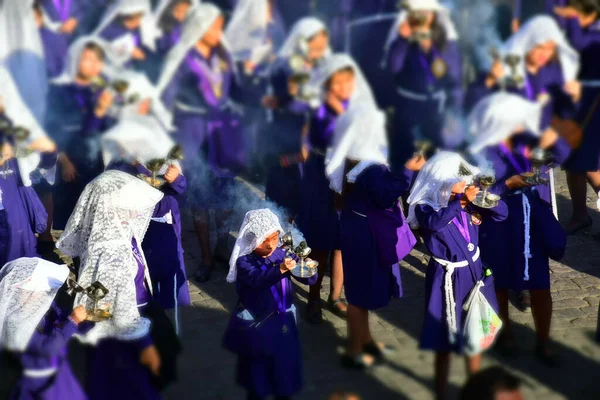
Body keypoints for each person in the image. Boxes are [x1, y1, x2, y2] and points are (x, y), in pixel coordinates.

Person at [56, 170, 180, 400]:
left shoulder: (118, 233)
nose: (136, 210)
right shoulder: (110, 247)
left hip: (121, 325)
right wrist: (144, 345)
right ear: (112, 207)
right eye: (129, 204)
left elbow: (99, 293)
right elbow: (117, 305)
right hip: (122, 338)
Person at [467, 93, 568, 366]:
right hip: (498, 225)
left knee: (539, 284)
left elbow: (561, 154)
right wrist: (508, 185)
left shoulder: (532, 143)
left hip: (532, 223)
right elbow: (478, 194)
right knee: (499, 281)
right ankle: (507, 333)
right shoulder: (484, 151)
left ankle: (543, 341)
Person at [326, 96, 424, 369]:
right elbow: (384, 196)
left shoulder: (362, 159)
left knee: (364, 291)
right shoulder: (368, 166)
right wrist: (408, 171)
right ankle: (355, 350)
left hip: (360, 227)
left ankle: (366, 340)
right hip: (364, 234)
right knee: (359, 296)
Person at [158, 3, 250, 283]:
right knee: (199, 202)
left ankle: (221, 243)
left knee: (225, 199)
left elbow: (236, 90)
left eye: (220, 27)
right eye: (214, 27)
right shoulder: (182, 57)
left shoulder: (224, 56)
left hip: (223, 138)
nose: (219, 32)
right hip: (195, 138)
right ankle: (207, 257)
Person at [406, 151, 508, 400]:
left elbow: (502, 214)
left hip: (474, 273)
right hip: (447, 278)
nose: (468, 183)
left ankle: (475, 390)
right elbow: (434, 223)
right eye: (461, 179)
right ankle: (441, 392)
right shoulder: (425, 206)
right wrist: (461, 203)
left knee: (476, 335)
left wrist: (486, 199)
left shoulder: (467, 199)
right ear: (443, 180)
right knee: (445, 340)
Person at [223, 208, 318, 400]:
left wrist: (306, 269)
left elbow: (309, 280)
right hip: (257, 326)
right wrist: (281, 269)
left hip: (283, 322)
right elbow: (258, 280)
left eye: (274, 239)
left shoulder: (281, 254)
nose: (271, 245)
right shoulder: (244, 262)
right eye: (265, 241)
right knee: (258, 379)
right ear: (252, 240)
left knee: (284, 377)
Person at [103, 117, 191, 310]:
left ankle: (169, 323)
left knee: (168, 281)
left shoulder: (163, 161)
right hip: (134, 231)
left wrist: (175, 180)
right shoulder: (118, 164)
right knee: (141, 276)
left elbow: (181, 189)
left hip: (162, 227)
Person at [261, 17, 331, 218]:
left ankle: (301, 241)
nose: (318, 53)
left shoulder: (320, 67)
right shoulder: (284, 66)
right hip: (288, 137)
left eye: (321, 49)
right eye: (315, 48)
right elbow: (284, 102)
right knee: (282, 195)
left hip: (313, 141)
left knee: (307, 199)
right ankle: (279, 240)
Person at [46, 37, 116, 232]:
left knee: (95, 210)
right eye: (87, 59)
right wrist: (64, 161)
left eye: (97, 60)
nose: (93, 65)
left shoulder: (101, 89)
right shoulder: (63, 90)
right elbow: (53, 129)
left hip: (96, 160)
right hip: (71, 159)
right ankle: (73, 255)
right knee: (74, 212)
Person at [383, 0, 463, 169]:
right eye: (417, 13)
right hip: (407, 111)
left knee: (438, 161)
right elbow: (393, 67)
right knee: (406, 160)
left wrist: (454, 111)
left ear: (434, 15)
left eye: (426, 13)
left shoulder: (444, 39)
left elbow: (455, 76)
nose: (422, 17)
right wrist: (402, 40)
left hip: (437, 111)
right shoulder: (402, 38)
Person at [0, 257, 93, 400]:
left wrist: (87, 319)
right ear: (25, 292)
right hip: (36, 384)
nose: (47, 294)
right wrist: (73, 321)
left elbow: (61, 318)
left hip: (59, 375)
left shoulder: (40, 307)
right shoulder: (15, 321)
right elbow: (47, 348)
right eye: (43, 291)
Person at [0, 67, 57, 266]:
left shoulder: (15, 124)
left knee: (19, 257)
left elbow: (45, 161)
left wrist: (44, 148)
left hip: (12, 201)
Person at [555, 1, 600, 235]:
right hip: (573, 103)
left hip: (591, 103)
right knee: (572, 162)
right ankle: (580, 214)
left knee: (585, 161)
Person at [94, 0, 160, 74]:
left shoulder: (137, 31)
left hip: (128, 70)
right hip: (106, 68)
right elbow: (99, 45)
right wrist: (127, 49)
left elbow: (143, 47)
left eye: (139, 19)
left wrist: (143, 55)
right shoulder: (110, 28)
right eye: (133, 20)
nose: (137, 23)